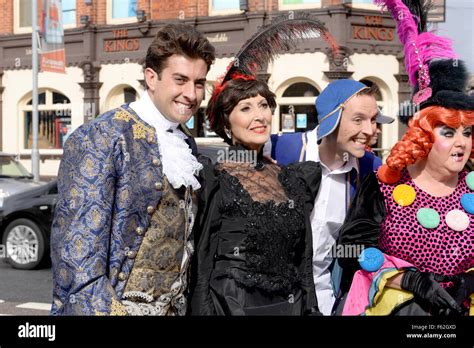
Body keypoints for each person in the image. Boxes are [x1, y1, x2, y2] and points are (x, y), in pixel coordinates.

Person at [50, 24, 215, 315]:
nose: (191, 93)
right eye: (180, 80)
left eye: (199, 83)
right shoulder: (103, 136)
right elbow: (78, 261)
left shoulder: (185, 141)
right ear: (151, 77)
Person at [337, 0, 474, 316]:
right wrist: (408, 280)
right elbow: (349, 250)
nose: (462, 143)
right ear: (424, 135)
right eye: (449, 132)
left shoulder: (471, 186)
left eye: (467, 132)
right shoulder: (385, 184)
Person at [189, 76, 321, 315]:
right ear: (226, 124)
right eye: (246, 108)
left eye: (263, 105)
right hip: (233, 307)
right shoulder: (215, 180)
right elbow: (202, 261)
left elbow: (303, 259)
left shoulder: (292, 179)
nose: (260, 116)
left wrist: (311, 309)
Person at [271, 79, 388, 315]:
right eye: (358, 120)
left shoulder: (370, 170)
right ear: (331, 119)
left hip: (323, 300)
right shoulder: (281, 150)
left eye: (373, 120)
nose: (370, 130)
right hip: (268, 299)